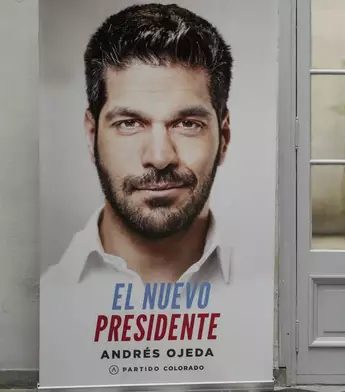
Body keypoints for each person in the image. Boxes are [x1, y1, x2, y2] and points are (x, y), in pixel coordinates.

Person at [38, 3, 237, 382]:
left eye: (187, 123)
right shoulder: (53, 295)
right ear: (92, 133)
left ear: (223, 137)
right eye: (130, 123)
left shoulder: (257, 290)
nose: (160, 157)